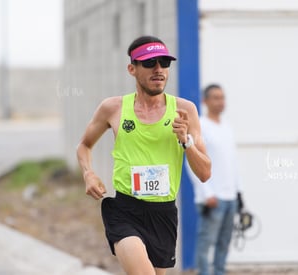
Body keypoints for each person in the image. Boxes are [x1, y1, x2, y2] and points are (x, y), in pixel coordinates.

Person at [76, 35, 211, 275]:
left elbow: (205, 172)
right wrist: (88, 173)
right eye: (149, 63)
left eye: (164, 63)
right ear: (132, 69)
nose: (158, 69)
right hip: (125, 210)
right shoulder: (113, 108)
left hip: (163, 213)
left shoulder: (185, 110)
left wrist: (186, 141)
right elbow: (84, 145)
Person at [187, 84, 243, 275]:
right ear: (205, 101)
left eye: (222, 97)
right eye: (216, 98)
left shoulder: (226, 127)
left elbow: (232, 162)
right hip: (213, 198)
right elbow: (191, 161)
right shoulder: (200, 125)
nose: (221, 102)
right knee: (206, 243)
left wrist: (238, 192)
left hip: (230, 198)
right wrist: (206, 193)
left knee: (224, 243)